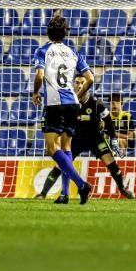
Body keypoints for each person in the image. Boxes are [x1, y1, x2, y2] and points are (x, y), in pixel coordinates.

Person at [36, 76, 134, 202]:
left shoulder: (96, 104)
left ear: (87, 85)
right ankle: (43, 193)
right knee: (62, 165)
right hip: (76, 139)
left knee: (110, 162)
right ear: (73, 84)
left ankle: (122, 189)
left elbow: (108, 122)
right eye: (77, 82)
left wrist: (113, 140)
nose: (80, 85)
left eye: (83, 83)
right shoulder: (69, 103)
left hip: (95, 138)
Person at [32, 16, 95, 205]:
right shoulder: (73, 52)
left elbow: (39, 74)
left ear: (48, 32)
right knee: (66, 148)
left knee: (52, 148)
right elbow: (90, 78)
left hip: (54, 103)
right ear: (65, 33)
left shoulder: (43, 50)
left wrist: (35, 91)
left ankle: (81, 185)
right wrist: (80, 92)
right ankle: (65, 194)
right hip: (72, 103)